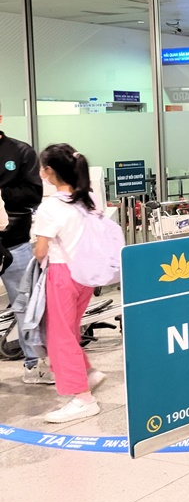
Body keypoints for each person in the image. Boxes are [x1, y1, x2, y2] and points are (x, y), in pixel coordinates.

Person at [34, 144, 104, 423]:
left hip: (63, 274)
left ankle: (82, 397)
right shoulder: (89, 199)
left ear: (49, 172)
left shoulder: (51, 206)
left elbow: (41, 250)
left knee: (60, 336)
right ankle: (86, 373)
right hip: (86, 273)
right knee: (70, 329)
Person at [0, 109, 47, 384]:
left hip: (13, 241)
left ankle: (34, 364)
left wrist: (2, 193)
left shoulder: (20, 151)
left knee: (25, 304)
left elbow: (33, 193)